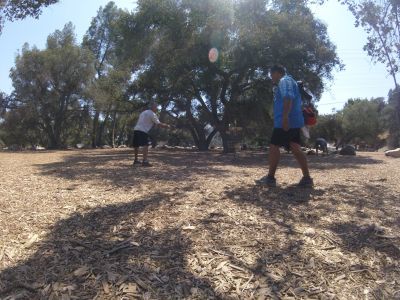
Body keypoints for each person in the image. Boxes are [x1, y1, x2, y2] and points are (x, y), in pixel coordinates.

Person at [257, 65, 313, 187]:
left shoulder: (284, 81)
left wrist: (285, 118)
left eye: (272, 75)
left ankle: (270, 178)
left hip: (286, 122)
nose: (271, 78)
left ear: (277, 73)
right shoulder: (290, 81)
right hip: (294, 121)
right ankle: (307, 178)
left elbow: (288, 98)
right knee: (295, 147)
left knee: (274, 147)